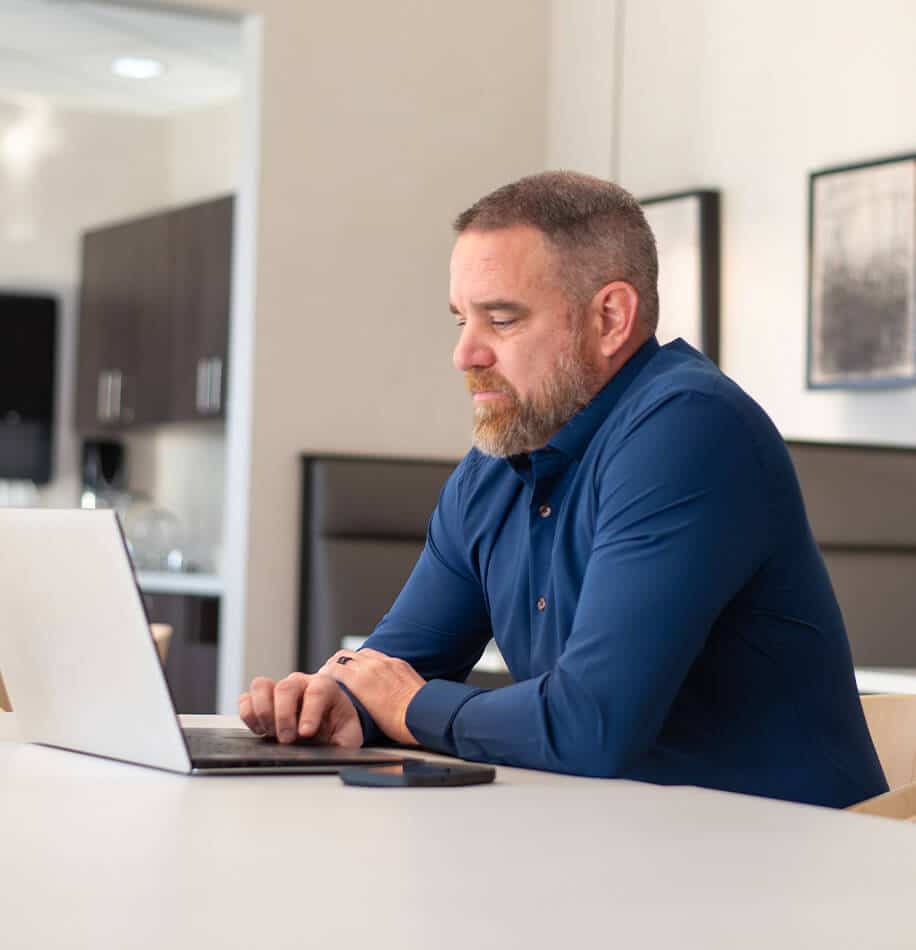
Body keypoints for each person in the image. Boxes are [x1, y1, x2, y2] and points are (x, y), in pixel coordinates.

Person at [240, 171, 887, 808]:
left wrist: (405, 705)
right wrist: (332, 702)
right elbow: (395, 665)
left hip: (785, 865)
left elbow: (590, 726)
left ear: (609, 317)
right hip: (616, 845)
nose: (465, 353)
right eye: (460, 320)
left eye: (500, 319)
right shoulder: (496, 461)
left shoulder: (689, 428)